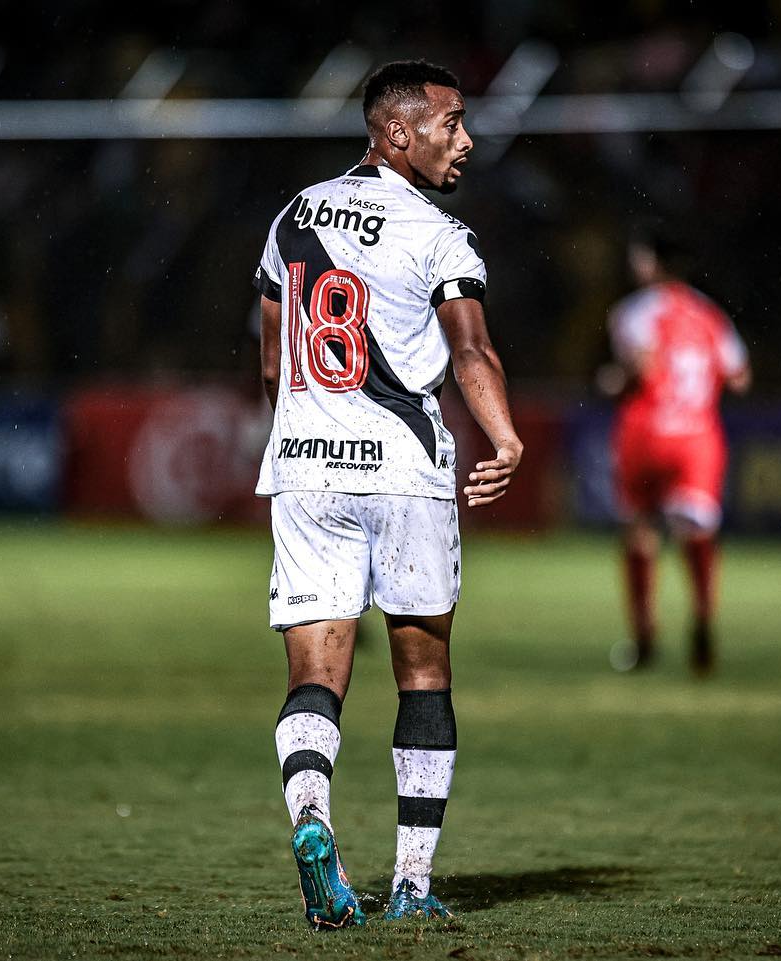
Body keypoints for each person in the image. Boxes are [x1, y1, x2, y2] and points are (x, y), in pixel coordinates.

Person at [252, 59, 522, 929]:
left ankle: (312, 820)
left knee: (315, 678)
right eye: (452, 122)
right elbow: (471, 351)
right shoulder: (442, 235)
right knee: (424, 674)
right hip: (404, 471)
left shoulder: (294, 215)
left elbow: (271, 362)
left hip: (306, 468)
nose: (466, 140)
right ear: (397, 132)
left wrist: (306, 433)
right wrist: (505, 437)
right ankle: (410, 881)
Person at [605, 223, 750, 677]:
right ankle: (703, 617)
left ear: (651, 262)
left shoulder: (634, 312)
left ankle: (644, 636)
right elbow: (740, 377)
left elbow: (641, 367)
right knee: (695, 531)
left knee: (641, 532)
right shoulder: (710, 314)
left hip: (646, 431)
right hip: (697, 438)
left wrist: (612, 382)